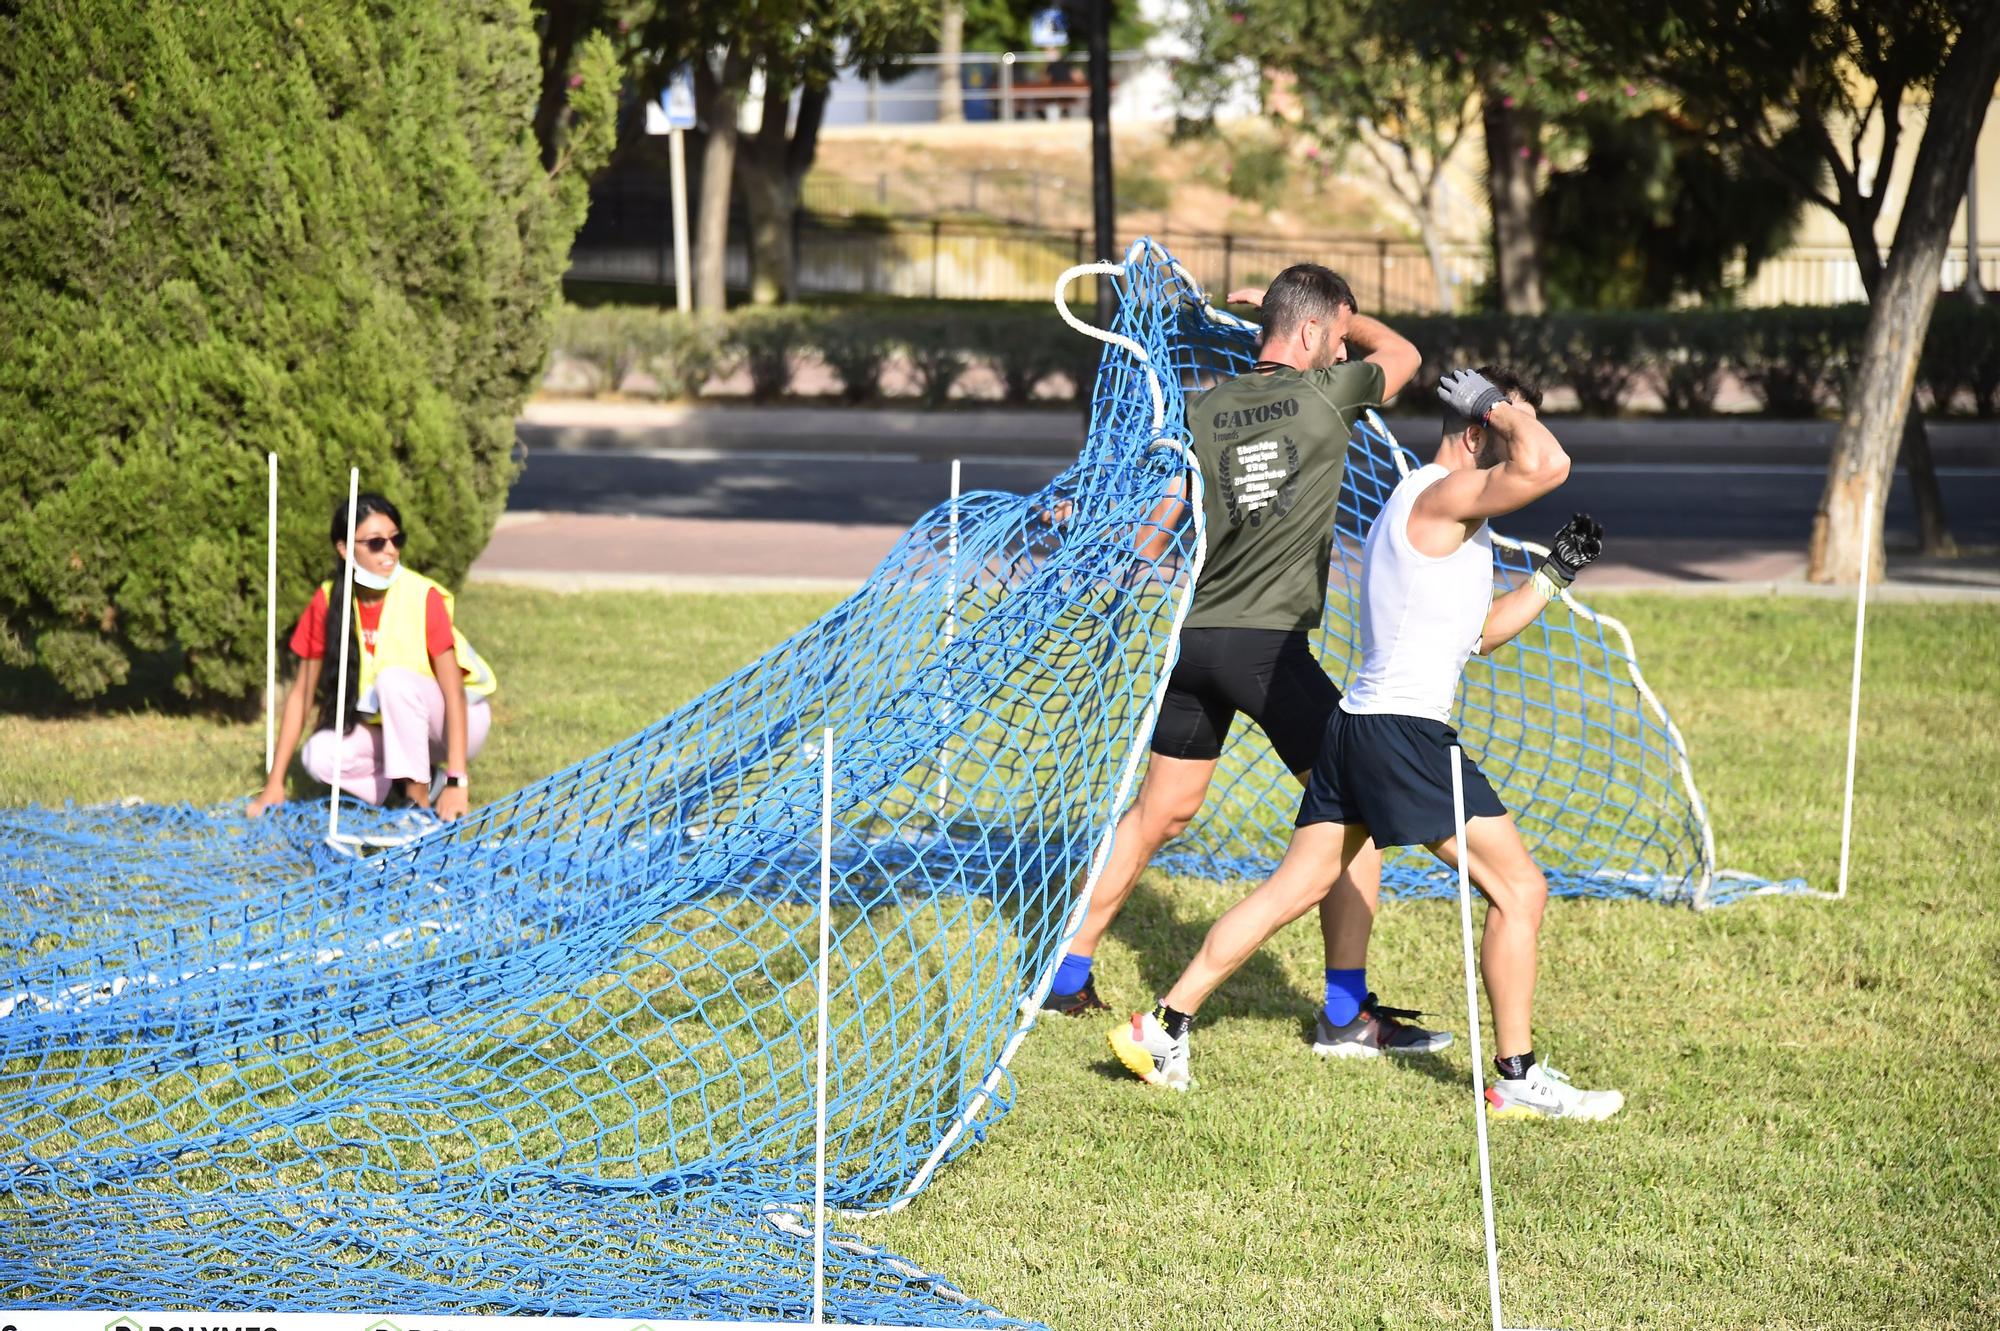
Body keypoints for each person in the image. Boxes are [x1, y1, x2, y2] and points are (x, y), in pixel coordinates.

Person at [1107, 365, 1624, 1121]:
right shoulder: (1443, 494)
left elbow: (1479, 636)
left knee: (1295, 888)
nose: (1523, 444)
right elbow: (1548, 464)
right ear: (1478, 430)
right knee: (1521, 889)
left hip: (1356, 728)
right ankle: (1517, 1075)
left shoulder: (1442, 510)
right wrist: (1499, 405)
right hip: (1403, 735)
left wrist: (1553, 575)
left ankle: (1163, 1026)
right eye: (1509, 426)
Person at [1043, 263, 1452, 1061]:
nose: (1341, 349)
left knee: (1157, 814)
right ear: (1312, 333)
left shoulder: (1202, 407)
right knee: (1357, 813)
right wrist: (1336, 321)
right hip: (1267, 649)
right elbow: (1402, 353)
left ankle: (1066, 976)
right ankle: (1345, 1014)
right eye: (1334, 336)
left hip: (1192, 641)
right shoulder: (1327, 395)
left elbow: (1154, 533)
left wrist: (1287, 313)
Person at [247, 493, 497, 823]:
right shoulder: (327, 600)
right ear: (344, 550)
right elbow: (301, 695)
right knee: (318, 755)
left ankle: (417, 807)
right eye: (376, 543)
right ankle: (411, 785)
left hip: (457, 722)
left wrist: (457, 779)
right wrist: (275, 784)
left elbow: (453, 692)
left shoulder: (423, 595)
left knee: (394, 680)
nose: (391, 550)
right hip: (396, 729)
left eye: (396, 539)